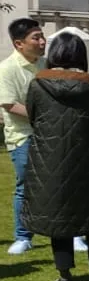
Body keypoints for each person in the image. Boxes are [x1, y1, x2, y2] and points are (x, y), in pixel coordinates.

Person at [21, 32, 89, 281]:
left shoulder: (38, 85)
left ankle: (64, 272)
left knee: (58, 213)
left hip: (50, 156)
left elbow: (33, 116)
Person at [0, 17, 45, 254]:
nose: (42, 41)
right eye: (36, 38)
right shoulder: (7, 69)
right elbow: (9, 104)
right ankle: (23, 236)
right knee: (25, 187)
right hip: (22, 136)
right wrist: (44, 116)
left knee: (58, 183)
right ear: (19, 44)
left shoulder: (45, 64)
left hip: (49, 135)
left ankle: (69, 233)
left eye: (42, 36)